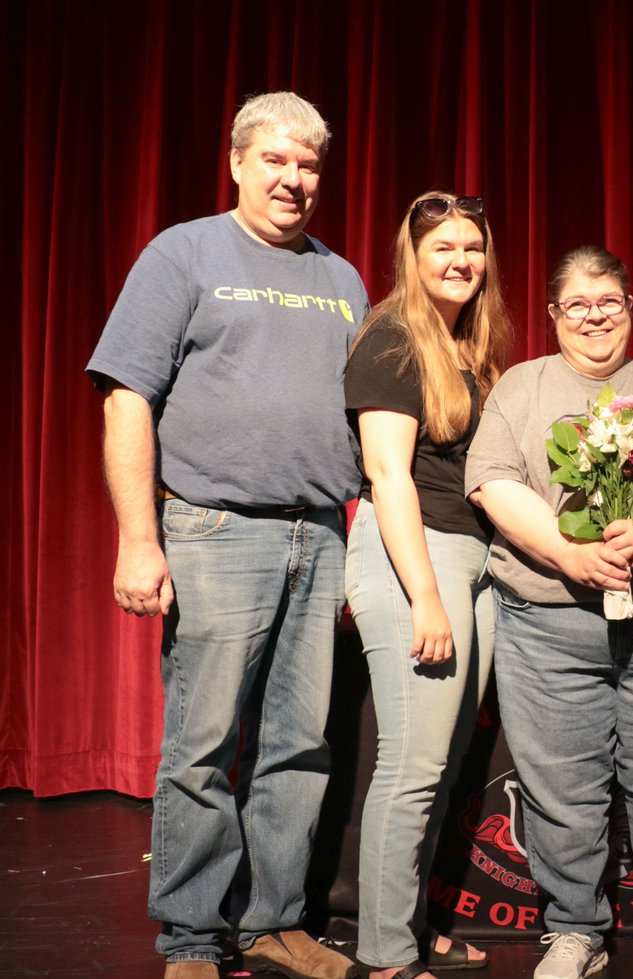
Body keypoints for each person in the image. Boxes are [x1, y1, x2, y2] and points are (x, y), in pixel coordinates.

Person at [85, 93, 367, 979]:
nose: (293, 180)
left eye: (309, 165)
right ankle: (194, 937)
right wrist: (140, 536)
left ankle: (275, 921)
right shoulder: (184, 252)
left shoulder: (345, 277)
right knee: (202, 743)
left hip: (320, 533)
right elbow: (127, 393)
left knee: (300, 743)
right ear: (238, 161)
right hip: (213, 527)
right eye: (277, 160)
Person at [466, 246, 633, 979]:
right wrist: (565, 553)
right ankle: (575, 932)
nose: (594, 317)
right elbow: (489, 483)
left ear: (630, 306)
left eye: (608, 301)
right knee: (561, 795)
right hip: (548, 625)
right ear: (553, 315)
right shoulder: (520, 388)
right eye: (577, 305)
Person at [343, 192, 512, 979]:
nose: (460, 260)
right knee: (410, 768)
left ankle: (409, 924)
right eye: (443, 245)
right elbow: (386, 474)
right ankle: (385, 954)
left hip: (468, 558)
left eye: (472, 247)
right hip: (416, 557)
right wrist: (427, 597)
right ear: (412, 255)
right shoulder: (392, 336)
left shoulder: (462, 344)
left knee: (438, 764)